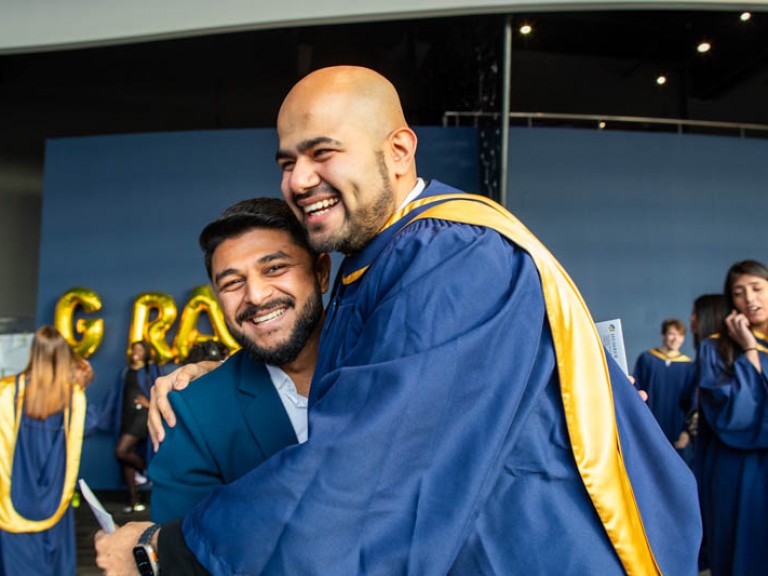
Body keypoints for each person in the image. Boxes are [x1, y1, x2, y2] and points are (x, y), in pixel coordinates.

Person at [95, 66, 701, 575]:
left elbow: (367, 473)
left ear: (399, 152)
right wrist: (222, 366)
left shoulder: (446, 253)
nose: (299, 180)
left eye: (323, 152)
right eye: (287, 161)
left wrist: (163, 550)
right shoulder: (386, 257)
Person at [148, 198, 330, 523]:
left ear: (321, 272)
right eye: (232, 283)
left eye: (274, 268)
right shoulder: (193, 413)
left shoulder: (386, 362)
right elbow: (183, 553)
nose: (256, 296)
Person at [0, 325, 93, 576]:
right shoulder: (72, 397)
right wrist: (83, 385)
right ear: (64, 356)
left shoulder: (7, 391)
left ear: (34, 353)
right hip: (55, 497)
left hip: (12, 494)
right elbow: (93, 424)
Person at [695, 260, 768, 576]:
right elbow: (736, 416)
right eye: (739, 293)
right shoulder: (716, 349)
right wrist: (749, 349)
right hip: (740, 472)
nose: (750, 300)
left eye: (757, 289)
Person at [109, 341, 162, 513]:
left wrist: (149, 403)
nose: (135, 353)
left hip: (141, 418)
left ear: (146, 352)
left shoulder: (151, 370)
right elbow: (115, 397)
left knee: (121, 451)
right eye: (133, 350)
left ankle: (146, 470)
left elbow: (161, 391)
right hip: (126, 417)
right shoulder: (125, 371)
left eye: (139, 350)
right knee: (125, 459)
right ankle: (134, 502)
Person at [632, 319, 694, 445]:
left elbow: (691, 401)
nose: (675, 339)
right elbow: (637, 391)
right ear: (663, 335)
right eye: (671, 334)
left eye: (680, 335)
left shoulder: (689, 366)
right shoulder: (647, 359)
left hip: (676, 426)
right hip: (648, 423)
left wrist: (686, 431)